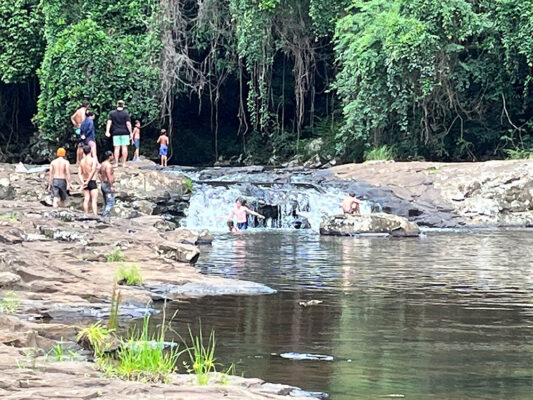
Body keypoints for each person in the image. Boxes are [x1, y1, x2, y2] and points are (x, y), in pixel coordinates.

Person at [105, 100, 132, 167]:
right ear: (123, 105)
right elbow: (128, 124)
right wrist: (131, 132)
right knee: (124, 147)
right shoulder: (126, 113)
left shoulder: (112, 113)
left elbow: (109, 123)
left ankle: (116, 163)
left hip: (115, 132)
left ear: (117, 105)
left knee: (116, 148)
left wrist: (107, 131)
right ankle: (124, 163)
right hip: (125, 132)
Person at [78, 145, 98, 215]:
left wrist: (83, 182)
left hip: (85, 180)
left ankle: (86, 213)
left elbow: (79, 173)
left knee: (86, 198)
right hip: (91, 181)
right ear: (90, 151)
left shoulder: (82, 161)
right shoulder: (93, 160)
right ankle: (95, 214)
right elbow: (93, 171)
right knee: (94, 200)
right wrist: (88, 181)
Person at [71, 100, 90, 165]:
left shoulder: (78, 111)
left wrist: (76, 124)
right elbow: (83, 119)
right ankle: (81, 161)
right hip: (82, 129)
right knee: (82, 146)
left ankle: (77, 161)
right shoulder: (83, 111)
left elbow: (72, 117)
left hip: (77, 129)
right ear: (87, 106)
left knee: (79, 146)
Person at [99, 151, 115, 217]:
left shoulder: (103, 164)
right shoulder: (108, 165)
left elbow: (99, 173)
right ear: (109, 156)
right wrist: (111, 185)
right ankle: (105, 216)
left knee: (106, 202)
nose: (113, 157)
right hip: (107, 184)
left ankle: (105, 215)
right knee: (110, 202)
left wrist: (101, 180)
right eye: (112, 155)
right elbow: (108, 175)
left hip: (103, 183)